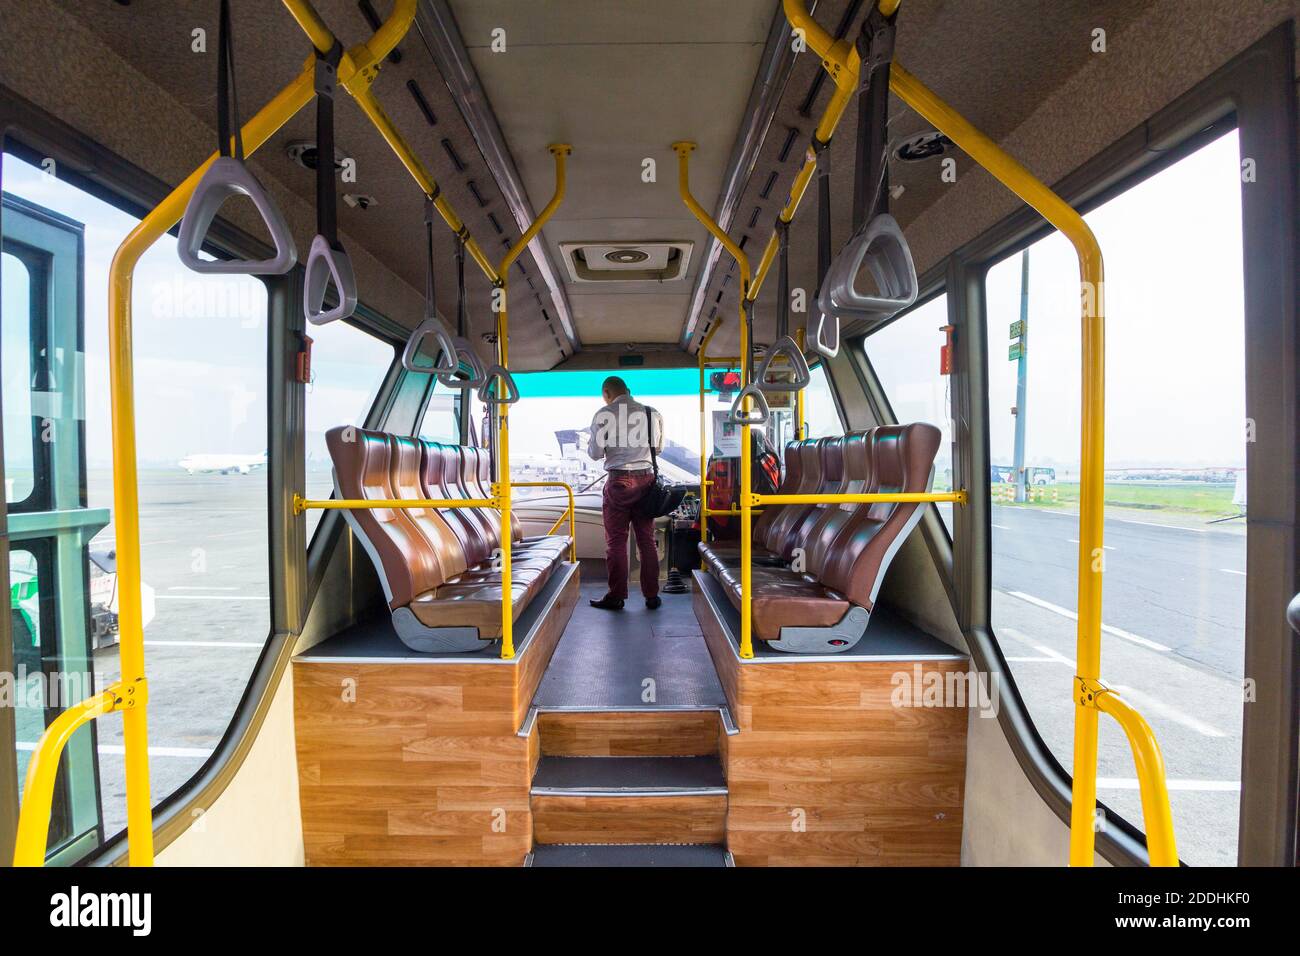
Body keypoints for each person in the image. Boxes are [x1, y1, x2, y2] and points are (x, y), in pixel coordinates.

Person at [585, 376, 664, 610]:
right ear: (629, 391)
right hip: (647, 480)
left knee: (617, 542)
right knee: (646, 540)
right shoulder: (652, 413)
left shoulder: (603, 414)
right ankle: (652, 596)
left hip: (619, 480)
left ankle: (617, 596)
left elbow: (595, 453)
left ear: (607, 393)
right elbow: (657, 447)